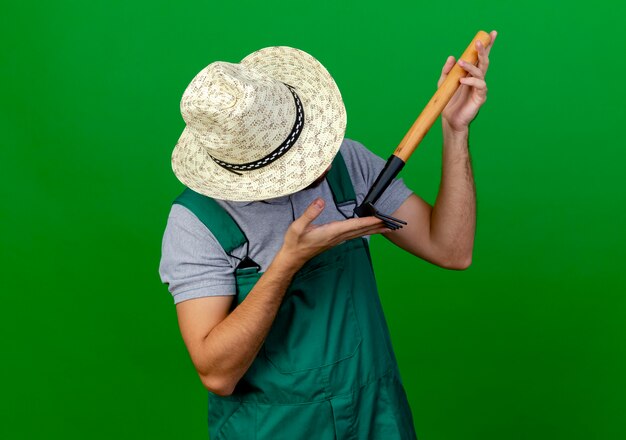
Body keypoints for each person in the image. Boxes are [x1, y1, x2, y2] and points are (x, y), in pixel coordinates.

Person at [159, 32, 497, 440]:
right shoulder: (198, 220)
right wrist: (288, 262)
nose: (318, 159)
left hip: (376, 417)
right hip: (275, 429)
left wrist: (455, 129)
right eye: (298, 158)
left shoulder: (347, 163)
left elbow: (452, 250)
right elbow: (217, 374)